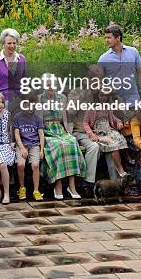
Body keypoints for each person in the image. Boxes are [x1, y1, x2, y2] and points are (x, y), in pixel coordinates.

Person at [39, 75, 86, 200]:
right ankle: (58, 185)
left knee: (72, 142)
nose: (51, 86)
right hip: (46, 131)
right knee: (59, 146)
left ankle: (71, 185)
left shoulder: (62, 98)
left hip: (60, 129)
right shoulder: (39, 99)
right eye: (48, 84)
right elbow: (38, 121)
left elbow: (65, 119)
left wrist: (68, 133)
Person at [67, 65, 101, 197]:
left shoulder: (98, 91)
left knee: (106, 148)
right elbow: (71, 111)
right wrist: (84, 92)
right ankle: (88, 183)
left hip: (99, 131)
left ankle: (114, 183)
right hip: (80, 131)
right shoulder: (75, 92)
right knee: (94, 147)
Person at [98, 24, 141, 111]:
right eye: (105, 38)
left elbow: (140, 72)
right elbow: (98, 81)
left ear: (118, 37)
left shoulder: (133, 52)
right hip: (115, 104)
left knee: (135, 124)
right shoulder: (103, 59)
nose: (106, 40)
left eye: (109, 38)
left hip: (134, 101)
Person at [83, 88, 129, 178]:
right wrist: (91, 134)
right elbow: (85, 123)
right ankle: (120, 169)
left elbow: (112, 117)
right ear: (97, 96)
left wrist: (119, 122)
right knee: (113, 144)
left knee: (120, 138)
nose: (104, 98)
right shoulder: (91, 108)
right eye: (101, 95)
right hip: (99, 132)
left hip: (109, 130)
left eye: (106, 96)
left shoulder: (107, 107)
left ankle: (125, 162)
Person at [13, 92, 45, 201]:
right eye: (28, 105)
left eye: (33, 106)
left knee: (35, 165)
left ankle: (36, 190)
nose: (31, 108)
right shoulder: (18, 117)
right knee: (20, 165)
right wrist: (21, 148)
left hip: (34, 145)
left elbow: (41, 134)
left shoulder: (37, 118)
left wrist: (41, 150)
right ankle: (22, 188)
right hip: (22, 144)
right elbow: (16, 134)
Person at [0, 28, 27, 113]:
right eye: (9, 43)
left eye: (14, 43)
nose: (12, 46)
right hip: (2, 101)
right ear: (3, 44)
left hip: (18, 101)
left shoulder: (21, 59)